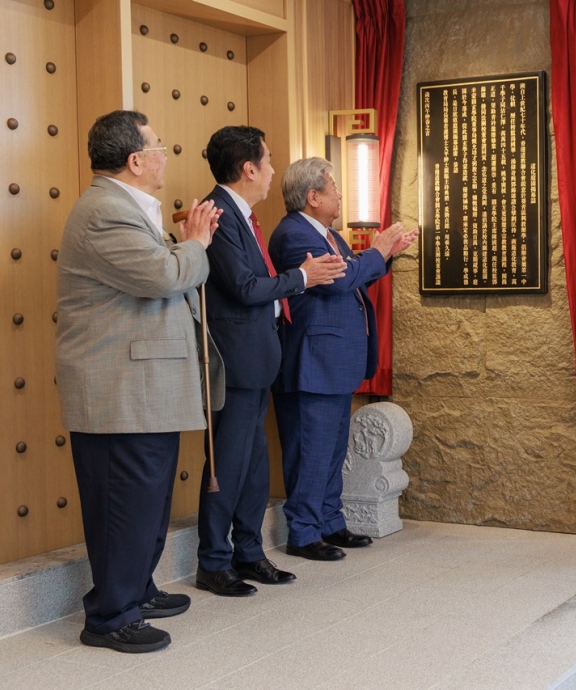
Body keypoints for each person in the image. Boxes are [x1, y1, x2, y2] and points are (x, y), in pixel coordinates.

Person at [55, 110, 224, 653]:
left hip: (143, 387)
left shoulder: (124, 207)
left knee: (145, 502)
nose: (164, 156)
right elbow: (163, 275)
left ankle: (136, 591)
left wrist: (183, 245)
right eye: (159, 147)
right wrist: (195, 242)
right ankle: (110, 617)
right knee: (124, 505)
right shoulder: (105, 211)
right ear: (135, 160)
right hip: (119, 390)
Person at [196, 127, 346, 596]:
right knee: (228, 463)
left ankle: (248, 551)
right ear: (249, 169)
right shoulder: (219, 214)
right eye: (268, 160)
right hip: (236, 359)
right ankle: (213, 561)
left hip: (259, 356)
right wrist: (301, 277)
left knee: (255, 464)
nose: (273, 170)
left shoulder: (244, 216)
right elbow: (244, 288)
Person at [268, 157, 418, 561]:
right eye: (333, 187)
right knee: (311, 451)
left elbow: (354, 275)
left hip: (332, 360)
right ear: (313, 197)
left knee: (332, 450)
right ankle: (303, 532)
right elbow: (339, 281)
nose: (339, 194)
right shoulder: (294, 233)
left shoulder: (328, 234)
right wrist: (376, 251)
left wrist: (384, 256)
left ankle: (329, 521)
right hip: (311, 361)